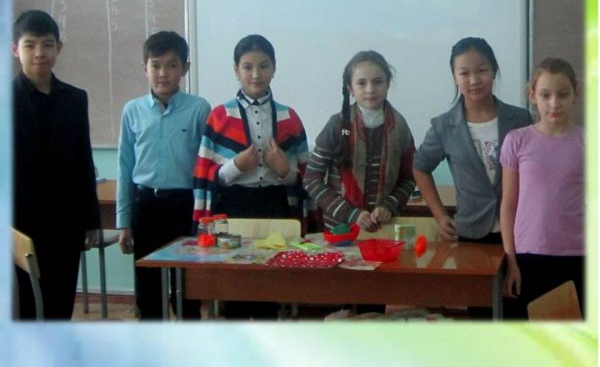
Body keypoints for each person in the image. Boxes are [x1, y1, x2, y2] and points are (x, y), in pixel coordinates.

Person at [192, 34, 308, 319]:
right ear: (236, 70)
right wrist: (236, 166)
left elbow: (304, 178)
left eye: (264, 66)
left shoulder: (289, 117)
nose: (256, 74)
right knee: (236, 286)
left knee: (269, 284)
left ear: (274, 68)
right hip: (233, 208)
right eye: (247, 67)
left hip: (275, 205)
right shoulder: (219, 117)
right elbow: (208, 177)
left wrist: (284, 170)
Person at [12, 9, 100, 319]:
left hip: (65, 222)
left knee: (60, 303)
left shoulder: (75, 99)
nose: (39, 53)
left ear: (58, 48)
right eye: (30, 45)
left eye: (47, 44)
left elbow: (83, 160)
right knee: (24, 307)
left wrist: (91, 219)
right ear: (15, 50)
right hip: (19, 223)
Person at [117, 31, 211, 320]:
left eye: (172, 65)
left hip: (185, 207)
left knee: (187, 288)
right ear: (144, 68)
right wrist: (124, 222)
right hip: (145, 206)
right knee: (148, 290)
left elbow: (207, 167)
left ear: (185, 68)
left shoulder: (199, 109)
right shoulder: (132, 111)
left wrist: (206, 219)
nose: (163, 73)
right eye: (155, 65)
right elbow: (124, 166)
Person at [413, 37, 532, 244]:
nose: (474, 80)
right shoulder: (444, 126)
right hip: (471, 232)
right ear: (454, 78)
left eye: (481, 70)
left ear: (494, 71)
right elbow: (420, 167)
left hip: (520, 229)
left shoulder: (520, 119)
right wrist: (440, 216)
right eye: (464, 73)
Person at [500, 57, 584, 319]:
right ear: (532, 96)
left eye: (563, 94)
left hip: (578, 255)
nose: (554, 103)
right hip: (528, 256)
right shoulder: (517, 140)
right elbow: (508, 205)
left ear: (576, 94)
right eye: (546, 95)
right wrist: (511, 260)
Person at [303, 50, 415, 233]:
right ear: (350, 89)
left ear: (388, 84)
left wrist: (389, 205)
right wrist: (351, 213)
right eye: (361, 83)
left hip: (384, 230)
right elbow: (311, 179)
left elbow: (410, 177)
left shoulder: (400, 127)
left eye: (377, 82)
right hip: (340, 231)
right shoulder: (337, 125)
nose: (370, 89)